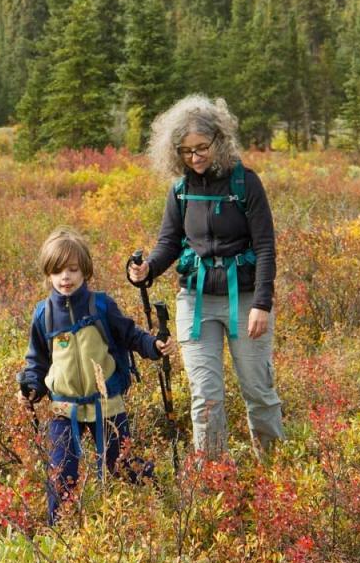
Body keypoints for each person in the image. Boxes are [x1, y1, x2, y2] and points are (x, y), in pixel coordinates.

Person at [128, 94, 284, 459]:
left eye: (202, 148)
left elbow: (265, 246)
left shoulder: (246, 183)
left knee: (258, 390)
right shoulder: (180, 190)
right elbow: (169, 242)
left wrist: (262, 302)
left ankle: (277, 473)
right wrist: (148, 268)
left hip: (245, 301)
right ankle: (215, 478)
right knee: (205, 396)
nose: (195, 157)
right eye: (185, 151)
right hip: (195, 301)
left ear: (220, 141)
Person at [17, 227, 176, 525]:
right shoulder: (43, 314)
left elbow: (131, 335)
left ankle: (158, 506)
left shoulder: (101, 305)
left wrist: (153, 346)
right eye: (58, 271)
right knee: (62, 471)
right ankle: (59, 530)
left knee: (122, 465)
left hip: (108, 405)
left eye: (73, 270)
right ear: (48, 274)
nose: (66, 277)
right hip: (65, 409)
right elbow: (36, 360)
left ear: (85, 271)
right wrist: (31, 388)